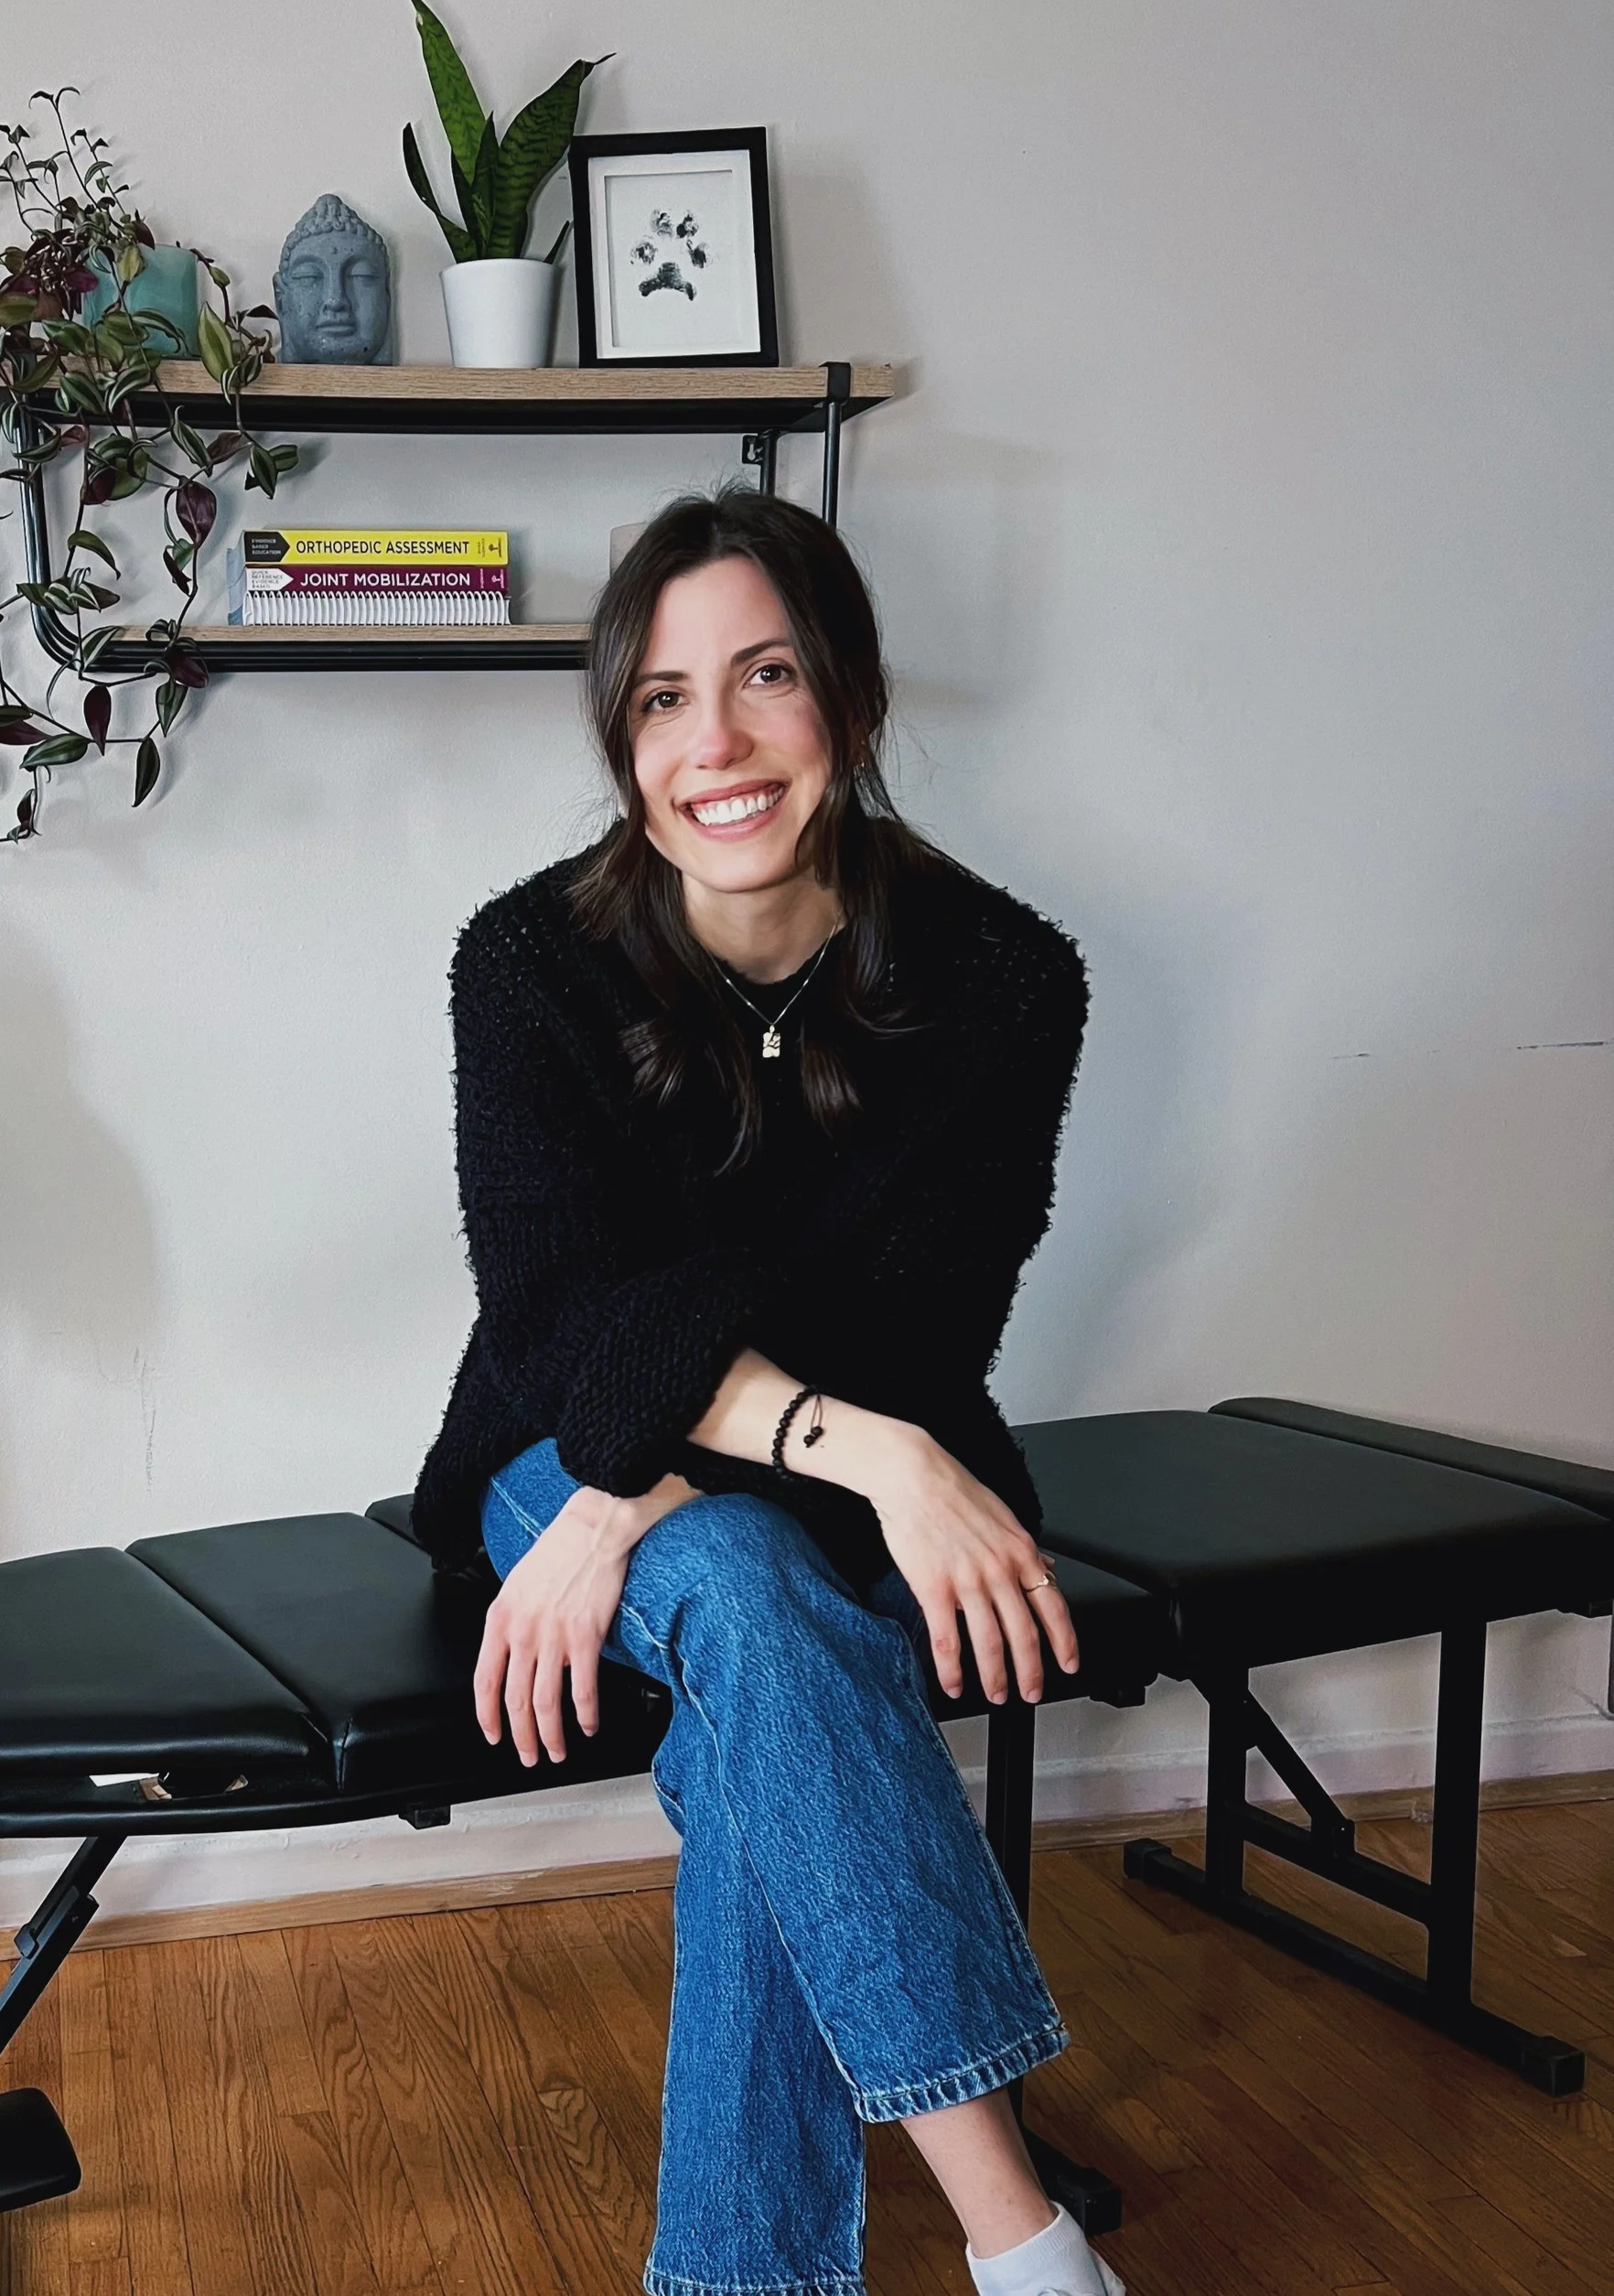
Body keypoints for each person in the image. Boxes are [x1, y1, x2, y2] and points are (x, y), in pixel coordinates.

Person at [412, 490, 1121, 2296]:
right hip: (555, 1458)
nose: (710, 743)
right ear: (618, 737)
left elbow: (912, 1305)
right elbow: (564, 1327)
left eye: (763, 677)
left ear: (852, 702)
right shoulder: (526, 963)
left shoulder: (997, 978)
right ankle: (1018, 2238)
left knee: (749, 1695)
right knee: (745, 1590)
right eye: (658, 699)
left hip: (772, 1475)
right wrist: (734, 1451)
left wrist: (650, 1473)